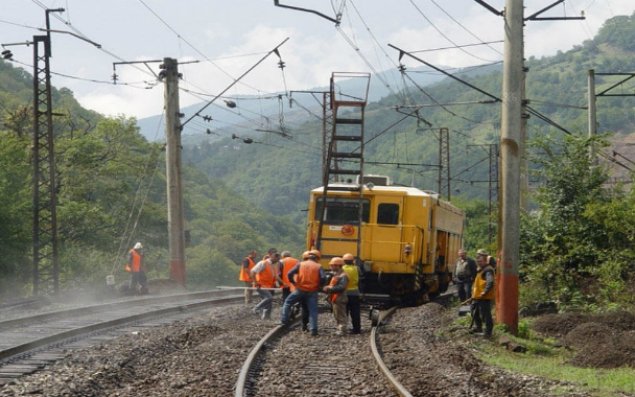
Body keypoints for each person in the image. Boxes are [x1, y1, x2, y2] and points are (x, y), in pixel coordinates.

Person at [280, 249, 324, 336]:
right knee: (313, 310)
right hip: (312, 291)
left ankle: (284, 320)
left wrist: (293, 282)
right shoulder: (318, 266)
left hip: (300, 289)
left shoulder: (300, 264)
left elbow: (289, 274)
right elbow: (323, 278)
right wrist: (319, 286)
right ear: (317, 258)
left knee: (287, 302)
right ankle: (313, 329)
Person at [470, 249, 496, 337]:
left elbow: (490, 282)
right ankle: (478, 327)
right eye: (478, 261)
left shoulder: (488, 270)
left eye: (480, 261)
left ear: (485, 260)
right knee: (474, 311)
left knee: (486, 314)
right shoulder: (481, 269)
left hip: (484, 297)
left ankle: (488, 332)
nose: (478, 262)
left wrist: (485, 291)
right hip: (477, 296)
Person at [250, 253, 282, 319]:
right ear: (274, 257)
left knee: (268, 301)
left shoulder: (273, 265)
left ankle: (266, 317)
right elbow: (252, 271)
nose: (278, 261)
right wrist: (255, 282)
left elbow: (275, 276)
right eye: (277, 259)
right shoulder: (263, 263)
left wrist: (283, 283)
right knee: (269, 298)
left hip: (269, 286)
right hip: (261, 285)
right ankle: (256, 308)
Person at [323, 257, 349, 335]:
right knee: (337, 314)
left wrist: (329, 288)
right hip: (336, 297)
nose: (330, 267)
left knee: (340, 314)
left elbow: (341, 287)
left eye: (332, 265)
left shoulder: (343, 276)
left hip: (340, 297)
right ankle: (339, 328)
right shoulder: (337, 274)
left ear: (338, 266)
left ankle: (342, 330)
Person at [342, 252, 362, 334]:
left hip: (344, 293)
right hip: (354, 293)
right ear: (352, 261)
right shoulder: (357, 268)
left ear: (344, 261)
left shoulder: (342, 268)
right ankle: (356, 329)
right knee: (355, 312)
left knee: (344, 312)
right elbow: (361, 275)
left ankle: (343, 328)